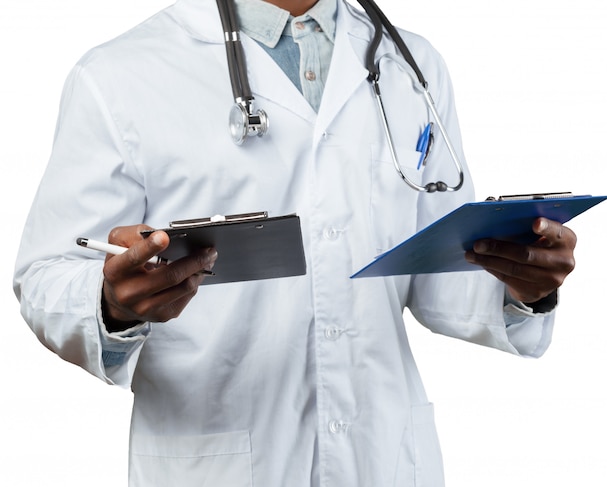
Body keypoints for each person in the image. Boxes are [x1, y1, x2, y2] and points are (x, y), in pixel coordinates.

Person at [13, 0, 576, 485]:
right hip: (218, 457)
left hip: (381, 455)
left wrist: (522, 283)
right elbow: (46, 274)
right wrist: (111, 302)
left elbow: (437, 276)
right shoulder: (121, 74)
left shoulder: (410, 63)